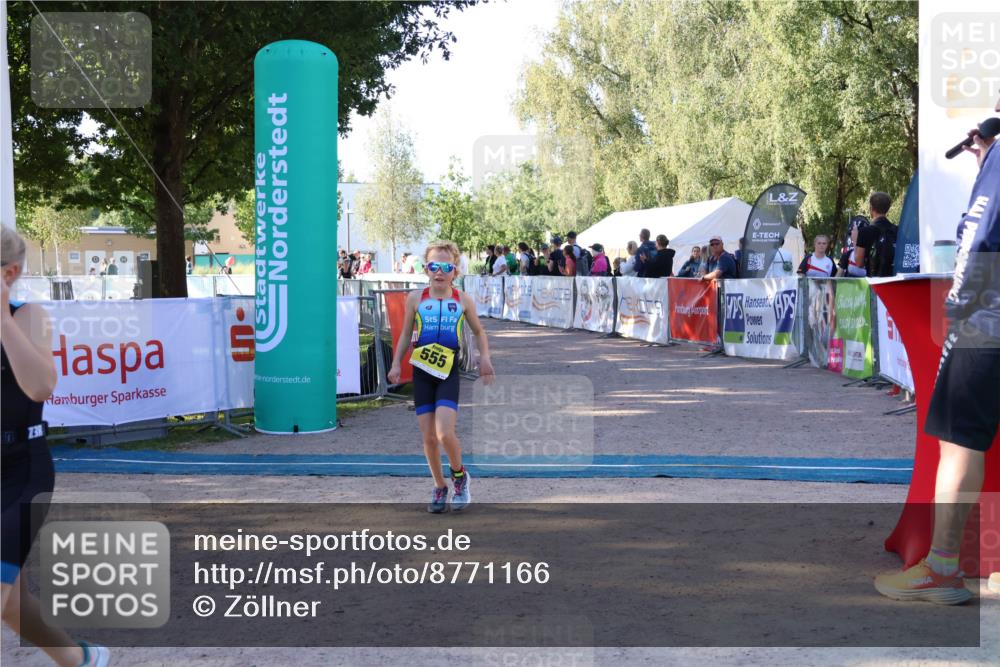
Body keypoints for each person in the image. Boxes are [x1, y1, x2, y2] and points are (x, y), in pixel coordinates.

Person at [874, 96, 1000, 605]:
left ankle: (943, 569)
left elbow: (978, 231)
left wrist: (960, 299)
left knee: (958, 437)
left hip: (989, 307)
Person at [1, 227, 111, 667]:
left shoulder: (28, 317)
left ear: (8, 274)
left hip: (21, 472)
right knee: (11, 604)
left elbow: (41, 385)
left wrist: (2, 322)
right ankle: (80, 659)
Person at [387, 240, 494, 513]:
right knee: (429, 439)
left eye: (446, 267)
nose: (439, 272)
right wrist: (396, 364)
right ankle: (439, 486)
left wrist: (486, 358)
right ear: (426, 268)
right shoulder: (416, 298)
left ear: (455, 271)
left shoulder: (462, 300)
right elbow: (403, 334)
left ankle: (459, 476)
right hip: (422, 374)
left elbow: (479, 332)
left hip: (447, 374)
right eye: (434, 266)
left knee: (445, 433)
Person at [857, 192, 898, 278]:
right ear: (888, 209)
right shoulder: (897, 230)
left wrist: (854, 241)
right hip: (893, 280)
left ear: (871, 208)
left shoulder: (865, 231)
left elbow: (859, 263)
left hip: (874, 282)